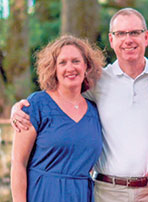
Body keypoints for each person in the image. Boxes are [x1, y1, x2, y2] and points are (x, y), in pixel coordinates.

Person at [10, 8, 148, 202]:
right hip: (107, 192)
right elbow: (62, 97)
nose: (128, 39)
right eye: (120, 33)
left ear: (146, 37)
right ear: (111, 39)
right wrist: (19, 107)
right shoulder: (97, 82)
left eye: (134, 32)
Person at [11, 35, 105, 202]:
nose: (70, 67)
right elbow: (18, 163)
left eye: (76, 61)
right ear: (53, 68)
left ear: (86, 67)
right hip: (42, 193)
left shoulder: (94, 111)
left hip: (81, 195)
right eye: (62, 62)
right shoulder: (36, 105)